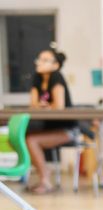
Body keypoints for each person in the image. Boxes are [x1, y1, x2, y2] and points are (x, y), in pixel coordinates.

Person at [26, 45, 79, 194]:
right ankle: (44, 172)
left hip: (68, 130)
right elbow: (33, 105)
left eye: (45, 60)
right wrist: (42, 106)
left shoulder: (57, 76)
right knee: (24, 138)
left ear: (55, 65)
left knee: (31, 140)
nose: (39, 63)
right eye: (39, 59)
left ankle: (45, 178)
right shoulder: (37, 78)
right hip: (50, 129)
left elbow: (59, 106)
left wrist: (44, 106)